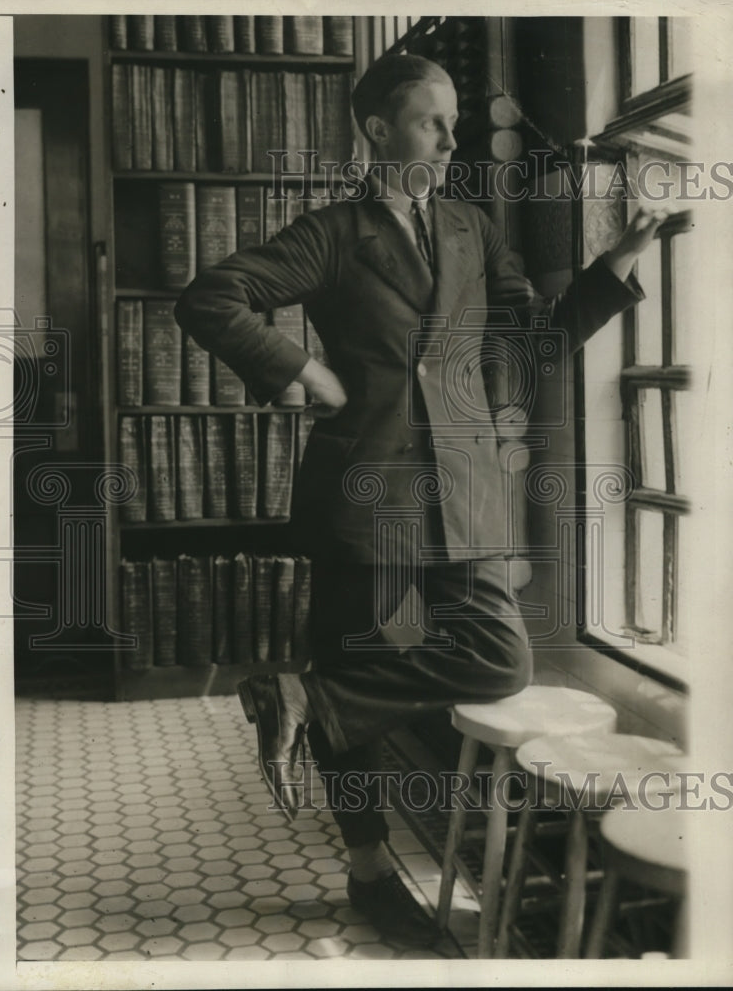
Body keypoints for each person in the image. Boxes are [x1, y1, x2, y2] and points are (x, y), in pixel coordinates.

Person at [174, 52, 666, 946]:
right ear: (376, 131)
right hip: (369, 495)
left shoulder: (475, 230)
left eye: (450, 121)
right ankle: (369, 877)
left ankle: (300, 699)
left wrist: (618, 261)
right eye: (429, 121)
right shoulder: (333, 233)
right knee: (356, 665)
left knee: (497, 661)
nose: (449, 138)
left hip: (468, 496)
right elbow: (213, 296)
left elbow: (529, 346)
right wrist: (301, 367)